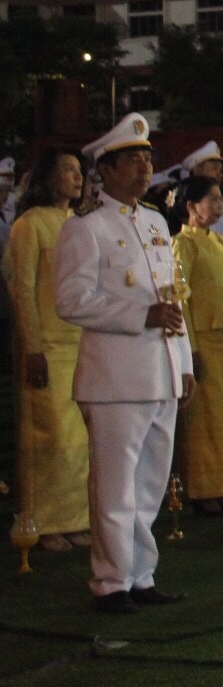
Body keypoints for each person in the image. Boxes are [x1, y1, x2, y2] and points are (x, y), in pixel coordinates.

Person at [53, 113, 195, 613]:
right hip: (114, 376)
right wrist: (140, 315)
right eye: (132, 158)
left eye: (148, 157)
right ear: (106, 170)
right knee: (116, 485)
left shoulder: (156, 222)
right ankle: (111, 581)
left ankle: (141, 573)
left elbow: (173, 295)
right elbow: (71, 301)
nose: (144, 166)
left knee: (151, 483)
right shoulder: (86, 229)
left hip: (159, 372)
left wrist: (184, 362)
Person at [5, 146, 91, 553]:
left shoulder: (79, 223)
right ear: (46, 176)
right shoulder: (30, 225)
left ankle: (76, 519)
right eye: (68, 170)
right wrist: (33, 346)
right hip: (47, 346)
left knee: (79, 440)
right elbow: (21, 289)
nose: (77, 177)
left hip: (81, 342)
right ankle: (45, 522)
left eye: (79, 171)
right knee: (49, 436)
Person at [169, 176, 223, 516]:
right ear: (190, 206)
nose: (219, 206)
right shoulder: (182, 244)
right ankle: (203, 490)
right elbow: (181, 301)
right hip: (204, 339)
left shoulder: (222, 242)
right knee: (204, 418)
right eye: (211, 200)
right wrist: (191, 347)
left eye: (221, 199)